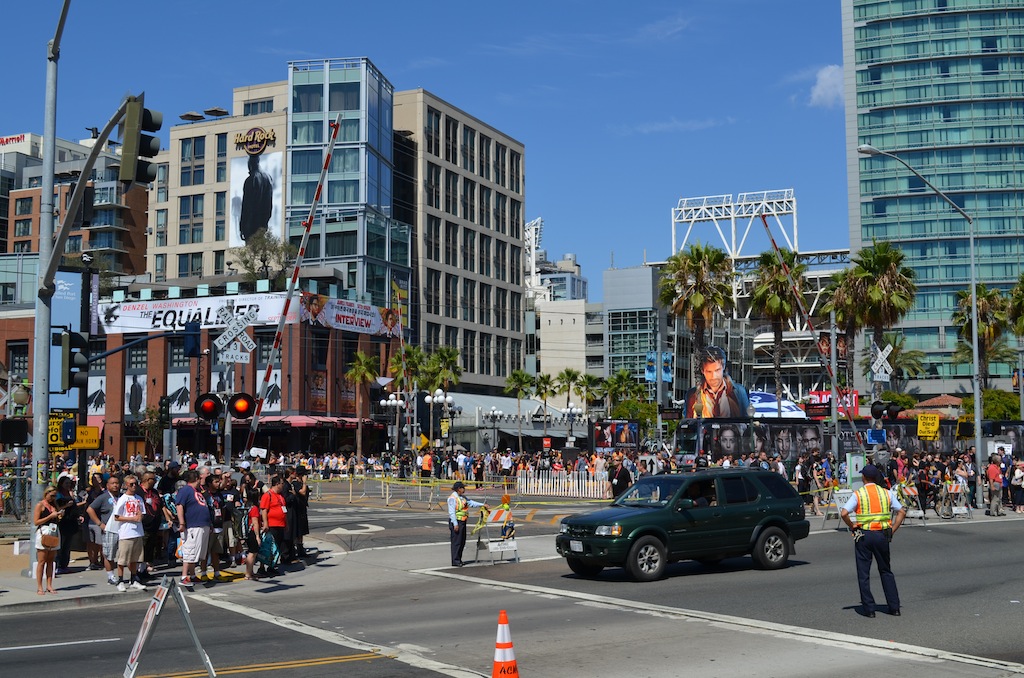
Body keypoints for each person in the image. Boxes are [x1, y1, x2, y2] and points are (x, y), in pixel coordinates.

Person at [840, 464, 906, 617]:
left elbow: (844, 513)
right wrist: (893, 530)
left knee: (864, 573)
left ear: (864, 477)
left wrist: (852, 526)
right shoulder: (886, 493)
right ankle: (894, 607)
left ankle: (869, 610)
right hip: (882, 534)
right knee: (885, 570)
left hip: (863, 535)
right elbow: (901, 512)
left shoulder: (859, 494)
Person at [682, 346, 750, 418]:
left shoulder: (740, 391)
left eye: (717, 370)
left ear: (723, 367)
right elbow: (688, 422)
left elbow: (747, 422)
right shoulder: (692, 394)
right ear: (702, 371)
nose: (714, 376)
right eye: (709, 371)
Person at [175, 469, 212, 589]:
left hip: (202, 524)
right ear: (196, 479)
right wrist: (182, 523)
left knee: (197, 552)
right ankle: (184, 576)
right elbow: (179, 505)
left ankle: (192, 575)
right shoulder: (185, 490)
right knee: (190, 551)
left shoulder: (197, 491)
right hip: (193, 526)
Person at [112, 475, 148, 592]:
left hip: (137, 532)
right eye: (131, 484)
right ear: (126, 485)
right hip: (126, 533)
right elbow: (117, 517)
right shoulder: (123, 498)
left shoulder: (138, 498)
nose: (134, 486)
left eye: (135, 484)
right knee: (122, 559)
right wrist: (132, 519)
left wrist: (139, 517)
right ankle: (120, 580)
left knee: (135, 558)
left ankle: (134, 579)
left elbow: (142, 513)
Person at [87, 475, 123, 586]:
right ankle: (110, 576)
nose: (115, 485)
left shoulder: (123, 497)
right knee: (109, 554)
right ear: (107, 486)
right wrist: (100, 524)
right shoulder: (103, 497)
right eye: (112, 483)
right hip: (109, 530)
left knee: (122, 554)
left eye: (117, 483)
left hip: (122, 529)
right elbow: (90, 509)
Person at [447, 481, 488, 567]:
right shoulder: (452, 498)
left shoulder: (462, 497)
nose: (464, 489)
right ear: (459, 489)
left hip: (462, 521)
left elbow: (471, 503)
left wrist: (482, 505)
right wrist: (455, 524)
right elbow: (452, 512)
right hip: (457, 522)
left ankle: (459, 559)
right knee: (457, 542)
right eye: (463, 488)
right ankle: (455, 560)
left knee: (462, 541)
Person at [33, 485, 62, 595]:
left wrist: (58, 515)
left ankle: (49, 585)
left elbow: (56, 517)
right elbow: (36, 521)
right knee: (42, 561)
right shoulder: (40, 505)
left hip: (54, 531)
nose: (53, 498)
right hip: (44, 532)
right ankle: (40, 586)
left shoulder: (54, 505)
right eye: (52, 496)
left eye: (55, 496)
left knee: (51, 560)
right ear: (46, 494)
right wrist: (50, 516)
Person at [239, 152, 273, 242]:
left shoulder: (251, 179)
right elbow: (269, 204)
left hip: (251, 225)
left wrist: (242, 227)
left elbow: (246, 206)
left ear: (250, 163)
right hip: (263, 224)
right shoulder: (268, 178)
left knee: (251, 253)